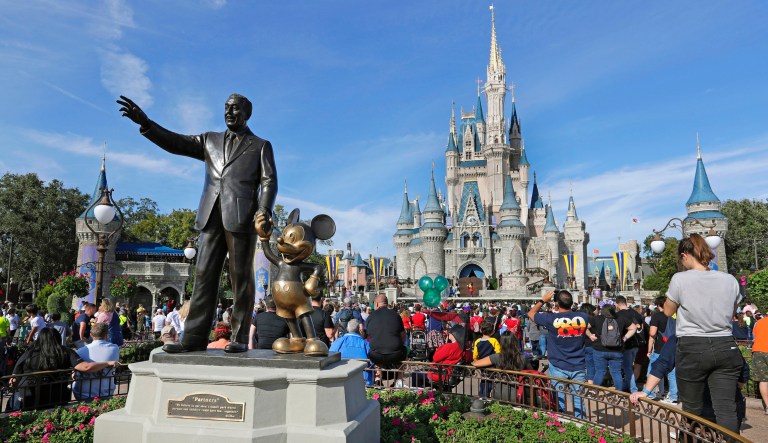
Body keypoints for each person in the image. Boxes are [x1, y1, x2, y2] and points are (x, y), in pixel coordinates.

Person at [118, 93, 277, 354]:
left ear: (247, 114)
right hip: (210, 214)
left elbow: (269, 181)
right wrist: (146, 123)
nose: (229, 112)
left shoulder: (260, 145)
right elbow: (175, 142)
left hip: (241, 217)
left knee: (240, 279)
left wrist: (264, 210)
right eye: (226, 108)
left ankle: (238, 337)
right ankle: (193, 337)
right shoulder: (209, 140)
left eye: (235, 109)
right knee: (203, 276)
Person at [664, 233, 743, 434]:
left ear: (684, 255)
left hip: (693, 346)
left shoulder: (680, 279)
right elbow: (731, 314)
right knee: (726, 409)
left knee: (692, 410)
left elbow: (667, 311)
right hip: (726, 345)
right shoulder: (730, 280)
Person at [9, 328, 118, 411]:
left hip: (29, 397)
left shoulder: (29, 353)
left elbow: (14, 378)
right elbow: (85, 367)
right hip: (57, 396)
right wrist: (107, 363)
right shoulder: (65, 352)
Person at [528, 290, 588, 419]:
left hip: (558, 364)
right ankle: (584, 428)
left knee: (558, 400)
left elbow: (531, 313)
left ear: (556, 304)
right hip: (578, 365)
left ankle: (559, 424)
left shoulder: (551, 319)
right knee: (578, 401)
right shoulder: (583, 317)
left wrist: (543, 300)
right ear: (572, 303)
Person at [590, 305, 637, 390]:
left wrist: (590, 335)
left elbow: (585, 326)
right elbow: (633, 328)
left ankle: (594, 392)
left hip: (599, 349)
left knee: (600, 371)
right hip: (617, 350)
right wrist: (625, 338)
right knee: (616, 373)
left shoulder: (597, 318)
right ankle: (619, 394)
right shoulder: (621, 318)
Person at [72, 322, 121, 401]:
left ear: (91, 335)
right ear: (106, 335)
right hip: (106, 392)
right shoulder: (114, 348)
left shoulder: (80, 351)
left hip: (83, 393)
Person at [647, 295, 678, 403]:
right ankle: (673, 396)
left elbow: (652, 333)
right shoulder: (675, 316)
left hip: (660, 347)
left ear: (657, 305)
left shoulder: (657, 316)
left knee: (652, 371)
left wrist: (649, 350)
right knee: (672, 374)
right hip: (674, 346)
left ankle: (650, 393)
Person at [365, 294, 406, 370]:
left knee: (370, 351)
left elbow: (368, 336)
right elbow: (403, 336)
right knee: (405, 349)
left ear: (376, 303)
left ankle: (378, 376)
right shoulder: (396, 315)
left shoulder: (370, 317)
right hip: (395, 354)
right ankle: (399, 378)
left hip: (375, 355)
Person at [329, 319, 373, 385]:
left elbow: (330, 356)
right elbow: (372, 360)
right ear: (359, 329)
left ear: (347, 328)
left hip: (341, 376)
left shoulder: (339, 341)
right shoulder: (365, 343)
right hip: (362, 378)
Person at [473, 319, 501, 399]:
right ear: (492, 331)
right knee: (489, 381)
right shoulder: (494, 340)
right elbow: (498, 352)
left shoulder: (477, 341)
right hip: (491, 364)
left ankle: (481, 395)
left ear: (481, 330)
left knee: (483, 380)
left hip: (481, 363)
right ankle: (485, 396)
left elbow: (475, 355)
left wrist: (477, 361)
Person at [751, 312, 768, 414]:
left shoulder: (758, 322)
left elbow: (754, 337)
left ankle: (767, 407)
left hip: (758, 351)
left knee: (763, 380)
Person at [579, 303, 597, 384]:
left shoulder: (579, 319)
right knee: (591, 364)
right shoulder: (592, 319)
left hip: (582, 343)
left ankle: (584, 378)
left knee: (584, 363)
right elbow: (585, 328)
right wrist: (590, 335)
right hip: (591, 344)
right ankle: (591, 381)